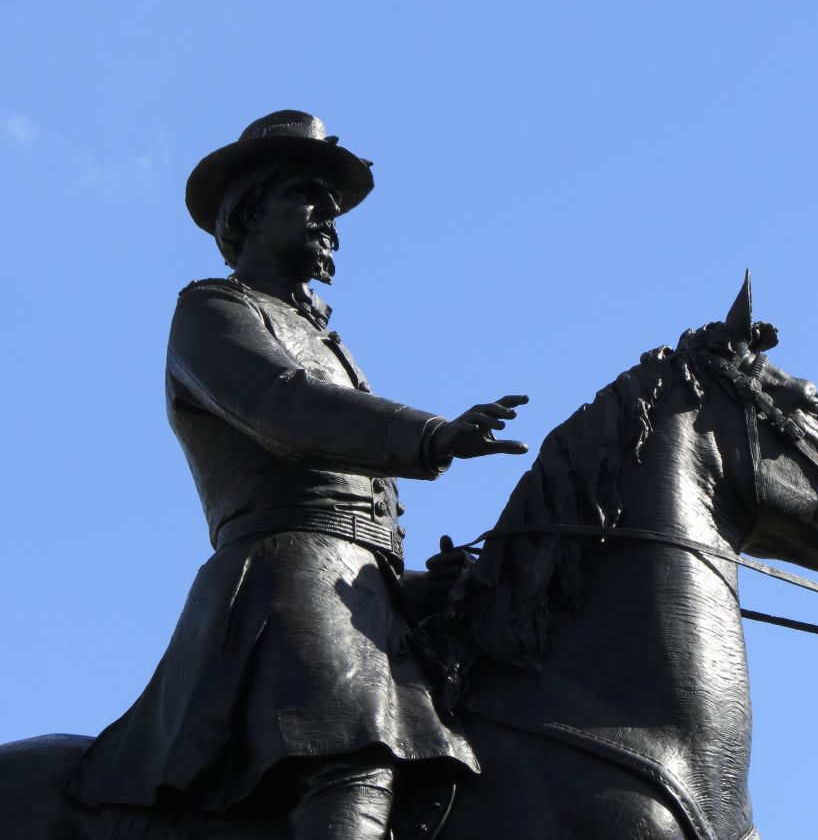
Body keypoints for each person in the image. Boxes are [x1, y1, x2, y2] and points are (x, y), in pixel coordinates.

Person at [66, 110, 527, 839]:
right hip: (285, 580)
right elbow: (287, 409)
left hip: (354, 588)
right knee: (354, 758)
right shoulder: (211, 312)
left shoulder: (327, 339)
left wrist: (409, 589)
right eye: (307, 197)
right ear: (250, 209)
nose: (329, 221)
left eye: (333, 208)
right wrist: (431, 434)